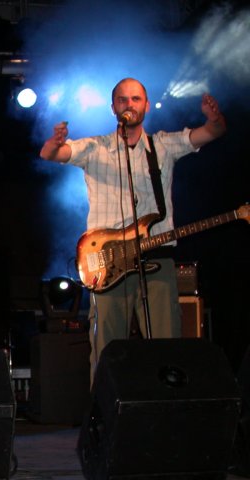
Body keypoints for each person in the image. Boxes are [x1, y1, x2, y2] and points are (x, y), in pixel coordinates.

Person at [40, 77, 226, 379]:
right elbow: (50, 154)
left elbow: (212, 132)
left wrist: (214, 119)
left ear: (147, 106)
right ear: (113, 107)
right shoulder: (95, 147)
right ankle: (104, 406)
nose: (130, 104)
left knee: (167, 346)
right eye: (123, 99)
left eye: (136, 99)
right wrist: (55, 142)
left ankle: (164, 403)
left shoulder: (163, 145)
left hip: (156, 258)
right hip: (110, 263)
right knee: (107, 348)